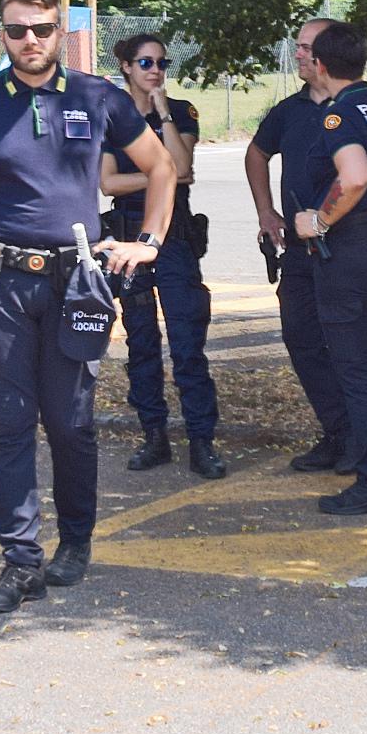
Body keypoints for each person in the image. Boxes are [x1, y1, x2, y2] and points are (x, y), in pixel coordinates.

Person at [0, 0, 174, 615]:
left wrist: (149, 242)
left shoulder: (98, 96)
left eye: (44, 29)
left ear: (62, 32)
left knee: (70, 423)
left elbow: (163, 169)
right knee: (7, 424)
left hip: (73, 282)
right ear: (1, 35)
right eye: (18, 30)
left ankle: (75, 540)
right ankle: (20, 560)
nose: (32, 40)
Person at [286, 21, 367, 516]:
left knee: (359, 371)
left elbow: (355, 177)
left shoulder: (338, 116)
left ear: (320, 64)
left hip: (354, 249)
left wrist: (317, 221)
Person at [101, 32, 224, 478]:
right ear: (126, 68)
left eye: (161, 63)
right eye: (145, 63)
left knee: (188, 342)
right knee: (141, 340)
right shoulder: (109, 116)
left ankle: (202, 441)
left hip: (173, 235)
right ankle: (153, 435)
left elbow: (183, 167)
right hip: (128, 232)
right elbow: (109, 184)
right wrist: (160, 177)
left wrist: (163, 114)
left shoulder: (180, 111)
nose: (155, 70)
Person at [244, 17, 356, 474]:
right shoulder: (289, 111)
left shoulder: (354, 109)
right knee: (301, 338)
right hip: (298, 252)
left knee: (348, 345)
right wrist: (266, 212)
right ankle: (337, 432)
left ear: (326, 54)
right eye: (297, 46)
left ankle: (359, 438)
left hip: (347, 249)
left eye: (306, 47)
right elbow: (256, 154)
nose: (298, 55)